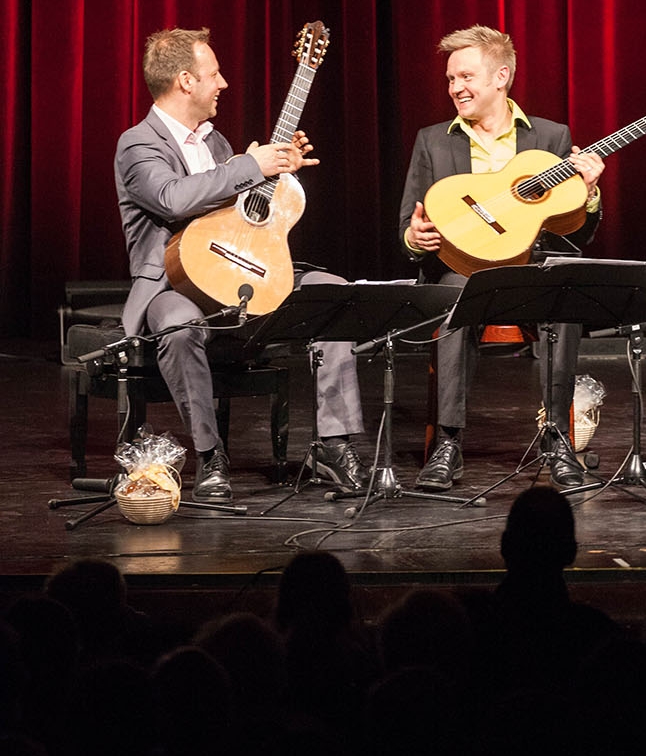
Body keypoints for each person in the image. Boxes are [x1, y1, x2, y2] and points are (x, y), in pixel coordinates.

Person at [115, 26, 369, 501]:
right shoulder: (137, 144)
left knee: (332, 291)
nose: (224, 83)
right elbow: (173, 199)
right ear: (186, 81)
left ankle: (333, 446)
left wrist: (278, 169)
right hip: (173, 288)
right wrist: (252, 165)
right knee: (178, 324)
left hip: (240, 272)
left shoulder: (216, 144)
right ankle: (210, 457)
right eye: (214, 74)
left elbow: (235, 220)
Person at [400, 25, 604, 490]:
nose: (455, 88)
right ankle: (448, 443)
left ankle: (556, 438)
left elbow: (577, 234)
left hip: (529, 269)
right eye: (451, 79)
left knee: (565, 304)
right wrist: (416, 238)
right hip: (462, 272)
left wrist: (588, 195)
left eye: (466, 77)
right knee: (453, 303)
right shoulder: (433, 141)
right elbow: (405, 227)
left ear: (501, 76)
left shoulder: (550, 137)